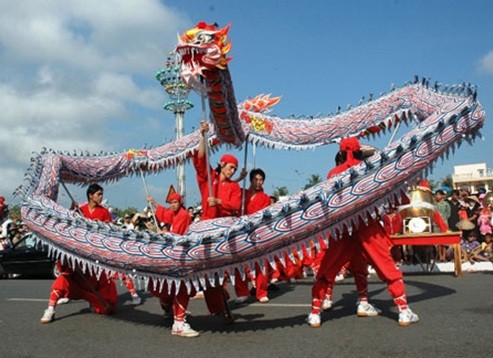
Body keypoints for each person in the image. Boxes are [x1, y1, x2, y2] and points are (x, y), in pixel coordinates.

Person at [307, 137, 419, 328]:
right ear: (359, 151)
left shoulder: (333, 173)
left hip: (342, 228)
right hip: (367, 226)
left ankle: (315, 313)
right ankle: (402, 310)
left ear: (341, 153)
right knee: (385, 265)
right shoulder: (369, 170)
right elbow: (393, 197)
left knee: (329, 267)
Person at [40, 184, 118, 323]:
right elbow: (69, 226)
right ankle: (50, 309)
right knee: (66, 278)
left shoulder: (104, 213)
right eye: (99, 194)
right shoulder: (79, 210)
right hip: (78, 253)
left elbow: (108, 234)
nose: (101, 197)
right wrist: (72, 210)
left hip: (94, 255)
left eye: (101, 194)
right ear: (90, 195)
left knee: (101, 292)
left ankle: (94, 300)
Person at [193, 120, 242, 317]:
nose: (232, 172)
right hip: (205, 230)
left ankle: (221, 298)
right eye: (230, 167)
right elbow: (200, 160)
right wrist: (203, 136)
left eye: (234, 170)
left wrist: (219, 201)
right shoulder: (208, 179)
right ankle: (217, 305)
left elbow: (236, 206)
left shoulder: (234, 186)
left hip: (222, 233)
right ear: (222, 164)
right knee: (206, 273)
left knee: (219, 271)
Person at [146, 192, 198, 337]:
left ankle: (176, 317)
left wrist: (163, 234)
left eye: (175, 202)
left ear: (180, 203)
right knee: (175, 285)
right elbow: (165, 214)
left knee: (181, 285)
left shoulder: (183, 215)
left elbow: (176, 235)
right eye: (171, 203)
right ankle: (172, 312)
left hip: (181, 252)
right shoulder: (175, 213)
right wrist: (154, 202)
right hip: (174, 254)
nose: (172, 205)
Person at [233, 168, 273, 303]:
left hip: (258, 233)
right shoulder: (242, 193)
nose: (258, 182)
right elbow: (229, 188)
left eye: (261, 179)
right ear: (250, 180)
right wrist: (239, 177)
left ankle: (261, 292)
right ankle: (242, 292)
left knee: (261, 263)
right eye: (256, 179)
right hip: (241, 232)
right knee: (239, 263)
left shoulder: (266, 198)